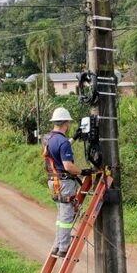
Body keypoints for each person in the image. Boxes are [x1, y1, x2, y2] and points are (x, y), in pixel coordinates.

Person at [44, 107, 91, 257]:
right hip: (64, 182)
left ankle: (57, 245)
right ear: (66, 123)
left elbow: (59, 148)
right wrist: (83, 172)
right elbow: (68, 166)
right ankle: (64, 247)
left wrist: (74, 138)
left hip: (53, 181)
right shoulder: (63, 142)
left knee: (61, 215)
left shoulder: (48, 138)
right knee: (66, 216)